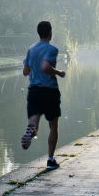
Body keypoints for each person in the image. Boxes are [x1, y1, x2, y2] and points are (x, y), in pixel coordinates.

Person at [21, 21, 65, 170]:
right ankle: (50, 160)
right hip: (49, 91)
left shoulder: (31, 49)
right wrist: (59, 72)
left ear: (39, 32)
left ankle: (30, 130)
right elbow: (45, 66)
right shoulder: (52, 49)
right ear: (50, 32)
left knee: (33, 125)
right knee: (53, 126)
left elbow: (25, 71)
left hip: (33, 90)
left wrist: (34, 69)